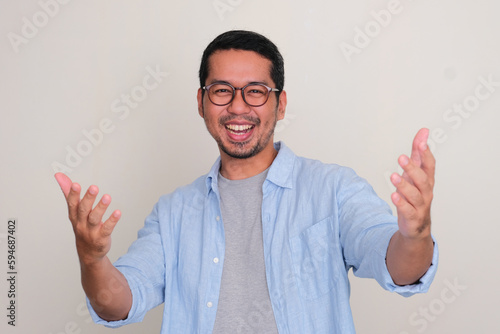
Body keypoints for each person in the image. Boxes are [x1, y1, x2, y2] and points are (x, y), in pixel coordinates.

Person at [55, 30, 438, 333]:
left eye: (256, 91)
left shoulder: (333, 189)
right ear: (201, 102)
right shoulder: (173, 212)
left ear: (281, 103)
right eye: (222, 91)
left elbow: (401, 269)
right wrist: (92, 260)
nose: (238, 107)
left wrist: (415, 234)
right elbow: (118, 302)